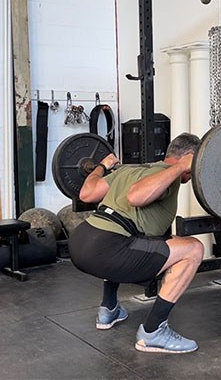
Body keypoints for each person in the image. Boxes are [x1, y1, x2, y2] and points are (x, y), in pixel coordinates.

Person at [68, 133, 204, 354]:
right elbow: (136, 196)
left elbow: (87, 192)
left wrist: (102, 166)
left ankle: (109, 308)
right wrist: (179, 168)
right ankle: (154, 332)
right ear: (189, 158)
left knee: (134, 240)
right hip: (108, 250)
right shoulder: (167, 176)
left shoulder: (129, 170)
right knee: (193, 249)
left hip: (82, 241)